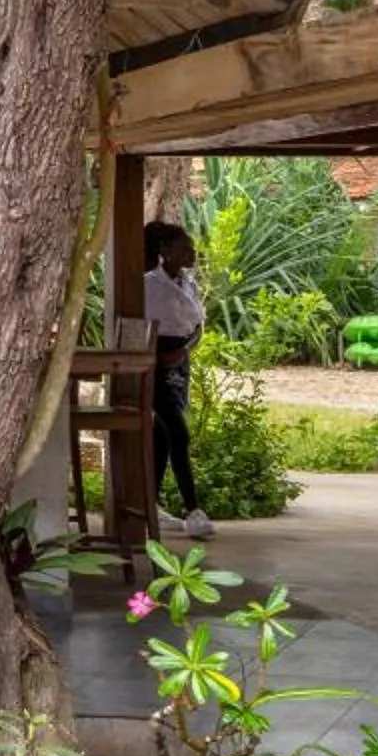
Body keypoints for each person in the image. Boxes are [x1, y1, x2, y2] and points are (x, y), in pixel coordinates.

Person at [143, 220, 211, 540]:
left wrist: (183, 352)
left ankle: (151, 504)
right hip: (154, 361)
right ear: (165, 251)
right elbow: (136, 327)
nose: (192, 252)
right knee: (178, 433)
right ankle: (193, 509)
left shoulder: (188, 283)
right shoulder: (149, 285)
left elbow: (196, 323)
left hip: (179, 360)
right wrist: (156, 357)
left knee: (163, 435)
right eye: (184, 247)